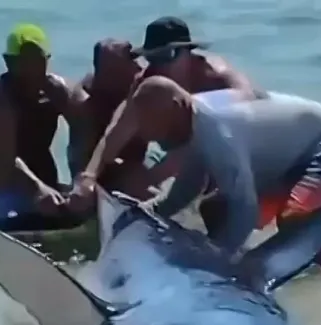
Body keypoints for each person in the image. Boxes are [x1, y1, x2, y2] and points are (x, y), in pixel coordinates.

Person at [129, 76, 321, 266]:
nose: (155, 139)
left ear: (178, 107)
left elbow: (246, 212)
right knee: (215, 209)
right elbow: (187, 188)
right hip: (286, 158)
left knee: (293, 219)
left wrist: (216, 259)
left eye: (158, 129)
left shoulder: (219, 134)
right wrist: (145, 212)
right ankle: (309, 258)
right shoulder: (193, 119)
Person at [68, 16, 263, 213]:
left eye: (167, 55)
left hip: (239, 151)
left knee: (217, 204)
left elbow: (252, 109)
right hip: (186, 158)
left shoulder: (217, 76)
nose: (158, 66)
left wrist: (155, 176)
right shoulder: (147, 81)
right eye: (152, 57)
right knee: (128, 179)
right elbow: (117, 130)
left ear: (188, 51)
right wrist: (88, 177)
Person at [0, 23, 88, 231]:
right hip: (4, 186)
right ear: (8, 62)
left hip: (47, 179)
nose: (31, 69)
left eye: (37, 61)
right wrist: (37, 189)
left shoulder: (59, 91)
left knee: (84, 209)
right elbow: (5, 157)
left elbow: (86, 133)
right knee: (14, 223)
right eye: (23, 62)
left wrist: (82, 181)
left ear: (47, 60)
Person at [69, 39, 154, 197]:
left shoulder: (142, 86)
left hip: (139, 161)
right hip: (100, 169)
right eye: (112, 72)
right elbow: (82, 160)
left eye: (133, 61)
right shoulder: (86, 101)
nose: (136, 68)